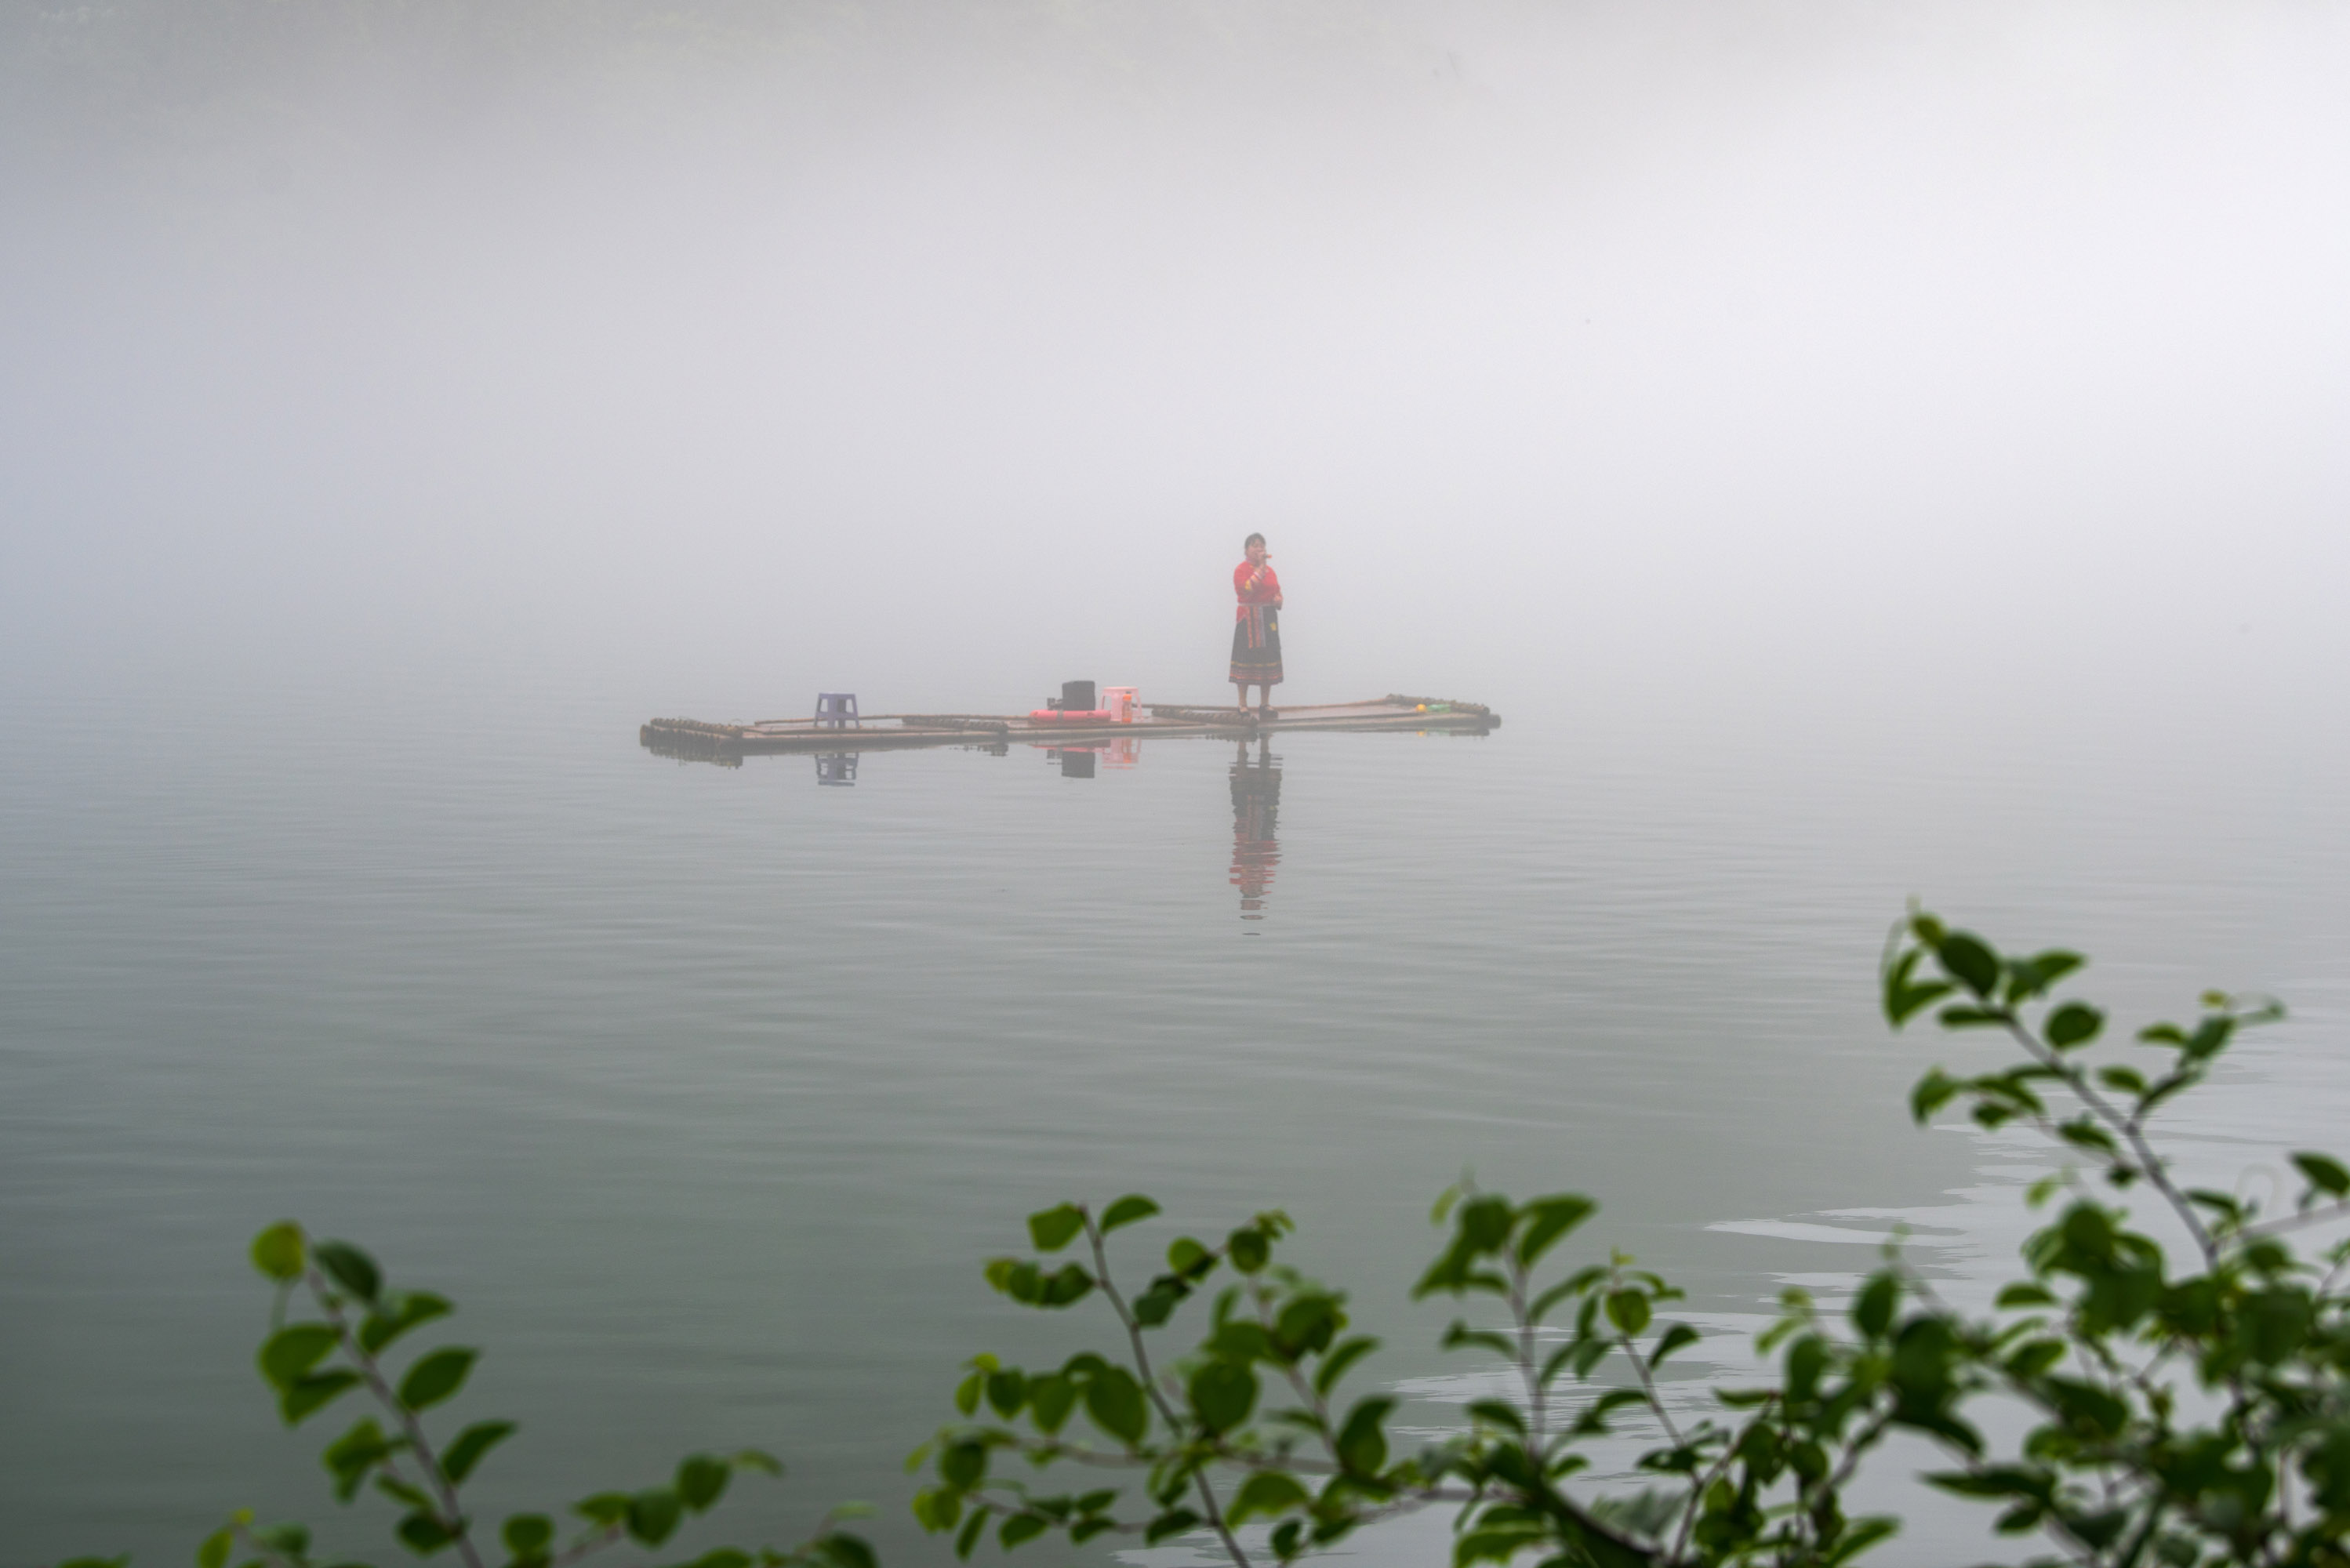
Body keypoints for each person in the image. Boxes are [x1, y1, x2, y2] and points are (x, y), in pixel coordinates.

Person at [1229, 533, 1284, 714]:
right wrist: (1260, 568)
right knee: (1245, 659)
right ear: (1246, 550)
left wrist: (1278, 600)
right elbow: (1247, 589)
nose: (1259, 548)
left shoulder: (1272, 572)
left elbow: (1277, 591)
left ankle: (1265, 703)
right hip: (1248, 619)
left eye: (1262, 545)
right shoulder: (1241, 570)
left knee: (1268, 660)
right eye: (1254, 545)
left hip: (1268, 619)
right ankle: (1242, 704)